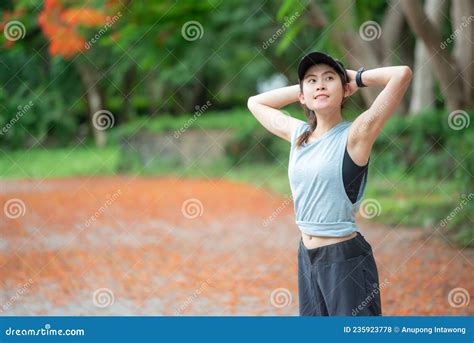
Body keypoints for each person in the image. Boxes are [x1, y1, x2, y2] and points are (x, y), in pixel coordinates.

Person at [247, 51, 412, 316]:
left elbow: (401, 74)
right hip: (307, 257)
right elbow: (255, 102)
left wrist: (355, 79)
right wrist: (307, 88)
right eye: (312, 80)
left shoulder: (356, 134)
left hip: (344, 260)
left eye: (329, 78)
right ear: (302, 95)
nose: (320, 84)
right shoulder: (298, 134)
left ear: (345, 89)